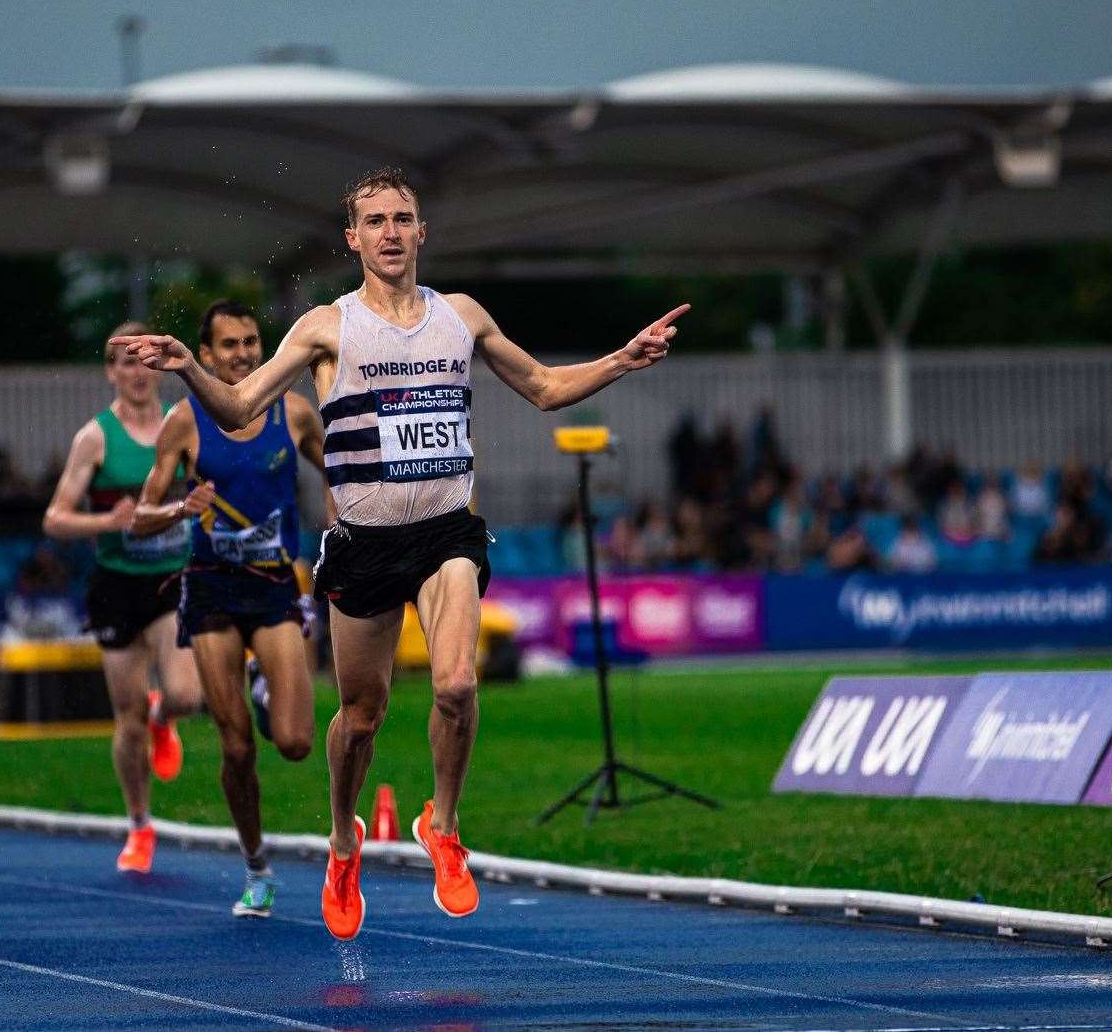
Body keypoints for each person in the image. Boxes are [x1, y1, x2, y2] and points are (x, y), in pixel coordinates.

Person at [113, 166, 686, 940]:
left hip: (447, 531)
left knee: (456, 682)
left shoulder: (461, 316)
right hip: (364, 546)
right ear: (353, 238)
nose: (390, 232)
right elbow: (243, 404)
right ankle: (344, 836)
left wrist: (622, 357)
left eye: (403, 218)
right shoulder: (325, 326)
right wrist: (186, 362)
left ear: (422, 233)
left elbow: (545, 387)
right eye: (375, 220)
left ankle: (442, 824)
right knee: (361, 713)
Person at [131, 299, 332, 918]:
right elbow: (140, 520)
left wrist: (345, 521)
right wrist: (176, 511)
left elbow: (345, 474)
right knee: (237, 748)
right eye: (229, 345)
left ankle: (265, 686)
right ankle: (257, 867)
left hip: (273, 585)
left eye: (252, 343)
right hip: (212, 586)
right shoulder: (184, 422)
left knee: (296, 743)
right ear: (207, 353)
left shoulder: (294, 413)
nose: (243, 355)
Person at [42, 322, 204, 875]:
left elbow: (210, 488)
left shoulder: (178, 426)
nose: (137, 373)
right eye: (125, 363)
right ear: (112, 372)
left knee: (185, 694)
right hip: (115, 584)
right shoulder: (96, 437)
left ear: (158, 367)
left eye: (145, 361)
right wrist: (104, 519)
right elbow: (54, 518)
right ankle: (140, 826)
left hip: (169, 579)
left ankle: (168, 718)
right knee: (126, 714)